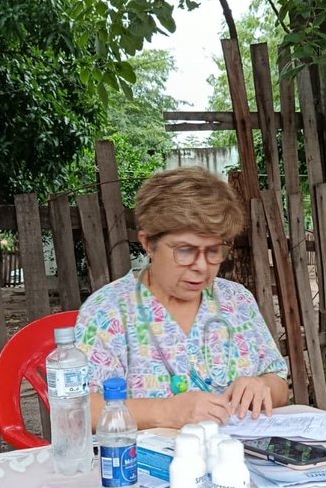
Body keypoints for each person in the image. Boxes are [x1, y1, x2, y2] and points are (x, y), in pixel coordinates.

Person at [76, 166, 289, 429]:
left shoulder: (237, 301)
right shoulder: (108, 311)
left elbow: (279, 383)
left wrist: (261, 385)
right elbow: (80, 408)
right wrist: (165, 411)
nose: (201, 266)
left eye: (214, 250)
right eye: (186, 250)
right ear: (148, 243)